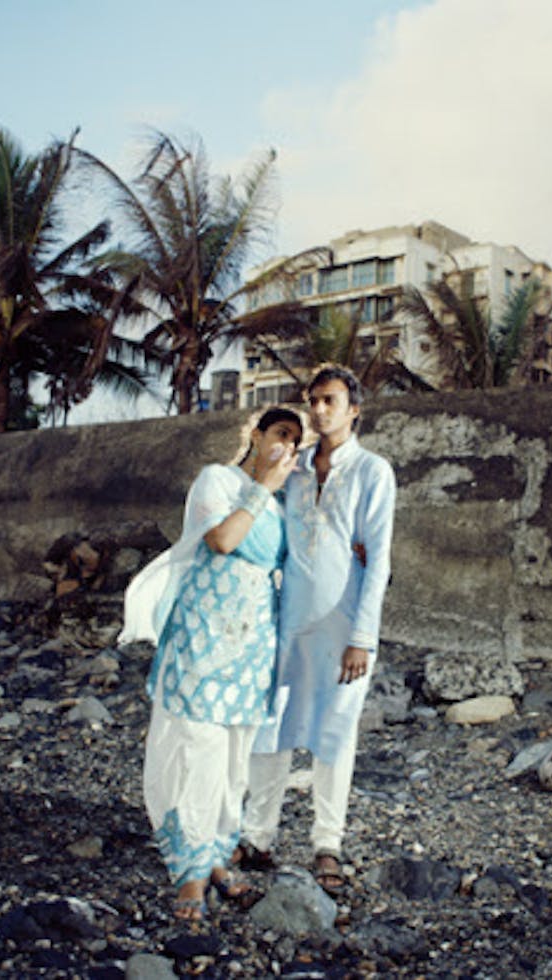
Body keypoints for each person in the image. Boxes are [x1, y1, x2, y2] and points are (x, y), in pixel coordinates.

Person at [120, 407, 302, 921]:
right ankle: (191, 873)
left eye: (295, 441)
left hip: (252, 644)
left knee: (233, 759)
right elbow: (222, 540)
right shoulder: (216, 481)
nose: (287, 446)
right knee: (196, 748)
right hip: (202, 638)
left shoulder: (281, 506)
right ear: (256, 435)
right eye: (280, 433)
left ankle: (217, 857)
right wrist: (262, 487)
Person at [237, 365, 396, 895]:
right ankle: (257, 836)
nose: (319, 410)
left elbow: (378, 558)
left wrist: (363, 638)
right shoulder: (296, 468)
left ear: (355, 410)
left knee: (336, 733)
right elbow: (264, 524)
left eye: (330, 400)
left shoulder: (372, 471)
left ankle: (327, 844)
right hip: (288, 619)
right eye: (314, 401)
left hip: (344, 626)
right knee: (271, 727)